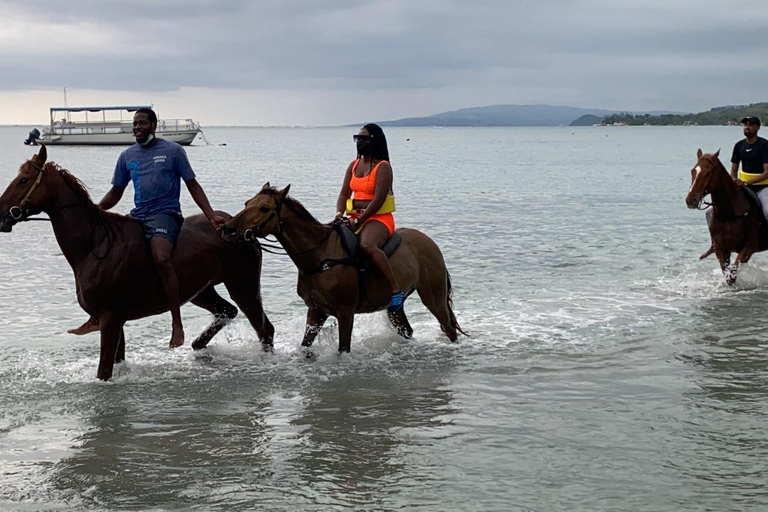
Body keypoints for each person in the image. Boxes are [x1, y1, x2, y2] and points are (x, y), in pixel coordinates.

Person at [68, 108, 227, 348]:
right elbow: (116, 192)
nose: (138, 127)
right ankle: (97, 315)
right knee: (113, 255)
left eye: (143, 123)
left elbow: (193, 185)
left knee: (162, 258)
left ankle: (177, 324)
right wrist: (95, 212)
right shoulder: (127, 156)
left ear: (154, 125)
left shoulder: (174, 151)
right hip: (138, 216)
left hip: (166, 215)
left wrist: (210, 214)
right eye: (135, 123)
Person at [335, 123, 404, 312]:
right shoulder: (354, 165)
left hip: (378, 219)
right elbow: (343, 194)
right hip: (354, 217)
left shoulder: (383, 167)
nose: (359, 143)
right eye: (357, 139)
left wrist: (359, 218)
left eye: (364, 139)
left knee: (367, 245)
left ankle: (395, 289)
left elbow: (378, 200)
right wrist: (339, 214)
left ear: (374, 141)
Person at [700, 115, 768, 259]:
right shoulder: (739, 146)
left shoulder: (764, 145)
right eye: (745, 125)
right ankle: (715, 243)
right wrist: (735, 182)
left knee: (767, 209)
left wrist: (747, 182)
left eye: (750, 125)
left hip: (762, 187)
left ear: (757, 127)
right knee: (709, 212)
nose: (747, 127)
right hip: (743, 187)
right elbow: (733, 171)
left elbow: (766, 173)